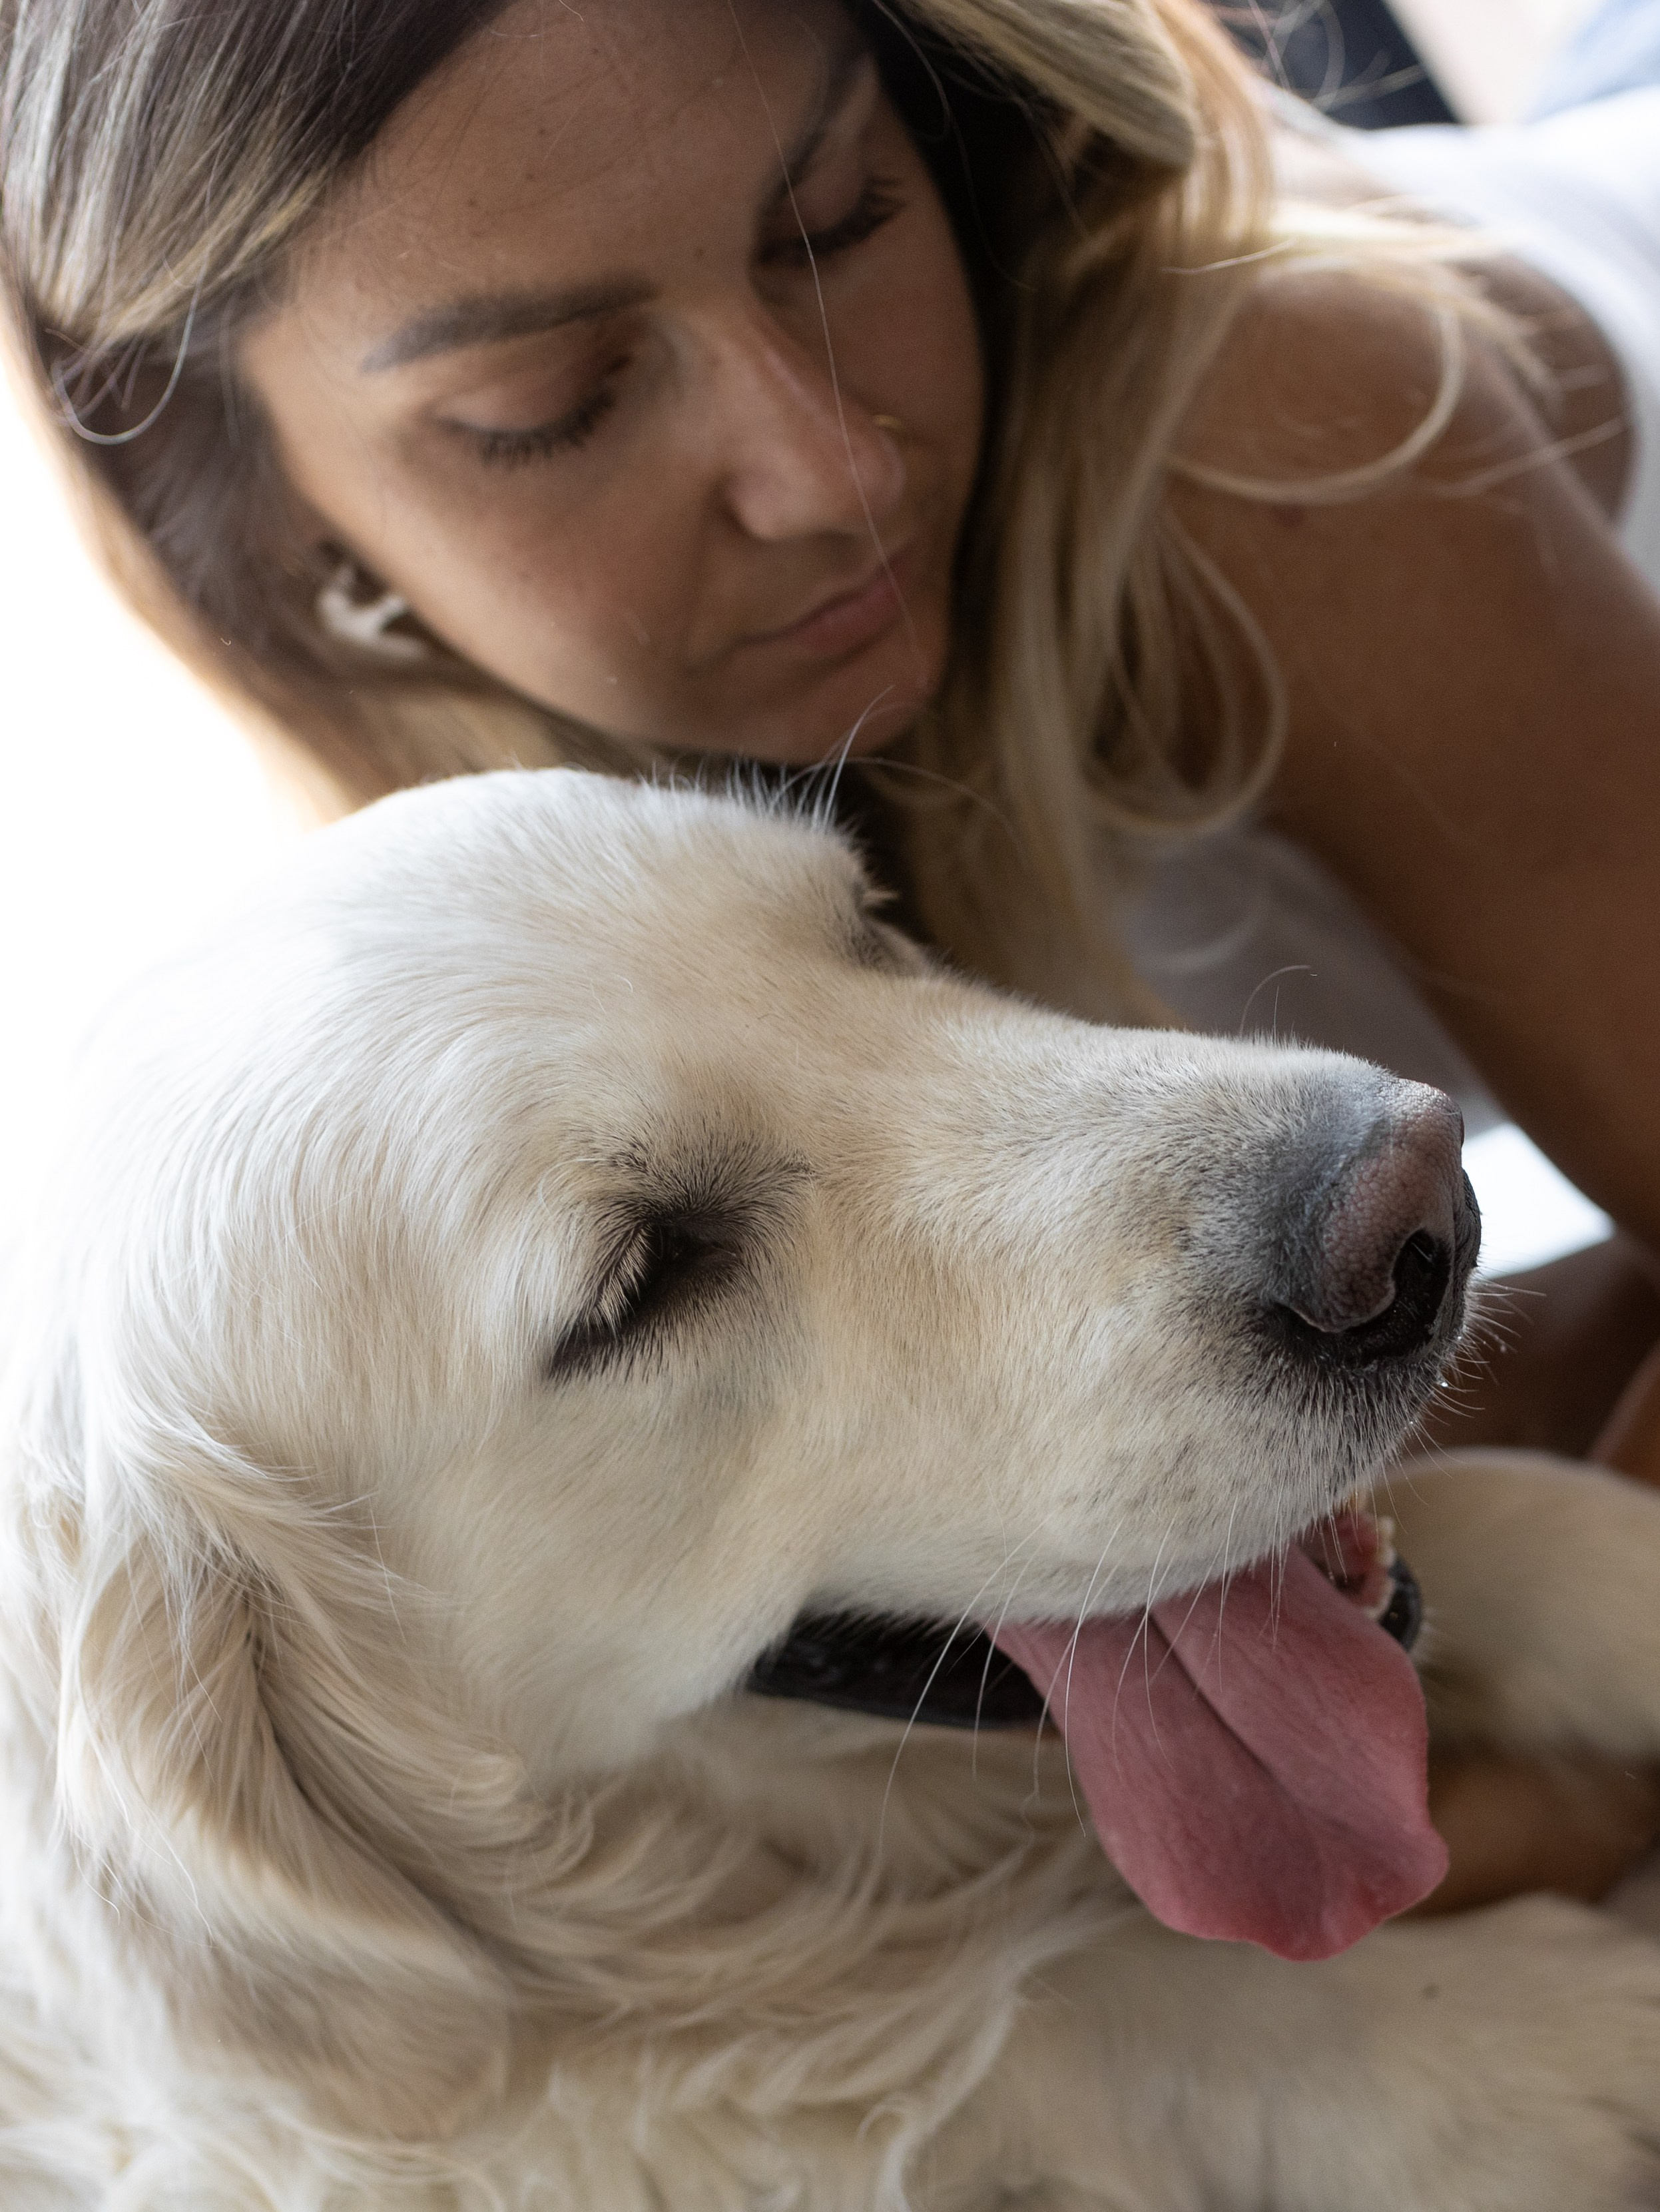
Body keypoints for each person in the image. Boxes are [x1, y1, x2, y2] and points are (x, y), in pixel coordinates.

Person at [4, 0, 1660, 1904]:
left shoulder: (1262, 461)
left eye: (842, 219)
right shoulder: (505, 942)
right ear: (271, 512)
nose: (832, 465)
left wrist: (1548, 1816)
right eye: (557, 401)